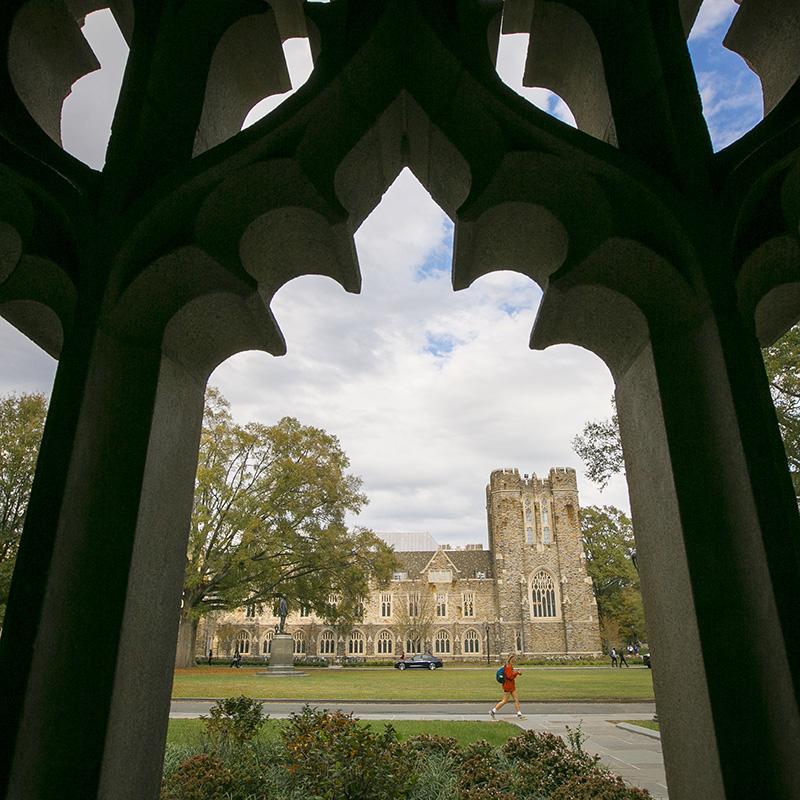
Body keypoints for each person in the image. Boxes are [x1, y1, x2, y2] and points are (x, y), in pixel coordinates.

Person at [490, 653, 525, 719]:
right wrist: (517, 673)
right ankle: (493, 711)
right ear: (511, 658)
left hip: (511, 685)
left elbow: (511, 675)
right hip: (508, 686)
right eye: (514, 658)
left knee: (516, 699)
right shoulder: (508, 666)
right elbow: (509, 676)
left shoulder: (510, 666)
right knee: (505, 700)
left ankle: (519, 713)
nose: (515, 659)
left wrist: (516, 673)